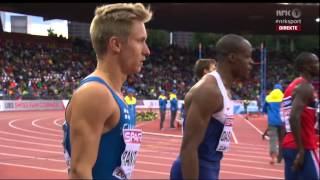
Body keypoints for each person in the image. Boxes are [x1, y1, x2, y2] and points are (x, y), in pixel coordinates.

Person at [62, 3, 152, 179]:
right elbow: (80, 172)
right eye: (141, 41)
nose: (147, 51)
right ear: (116, 44)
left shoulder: (113, 93)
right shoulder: (96, 94)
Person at [170, 34, 254, 180]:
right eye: (247, 57)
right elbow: (189, 148)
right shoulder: (209, 91)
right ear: (232, 58)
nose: (251, 62)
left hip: (210, 167)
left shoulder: (224, 89)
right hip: (195, 170)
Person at [281, 52, 319, 180]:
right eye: (316, 62)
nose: (318, 65)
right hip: (304, 146)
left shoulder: (290, 88)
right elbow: (293, 117)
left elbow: (284, 120)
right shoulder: (305, 87)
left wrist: (282, 147)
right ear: (306, 66)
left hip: (289, 146)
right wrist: (301, 150)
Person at [262, 83, 284, 164]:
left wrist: (267, 112)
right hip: (282, 122)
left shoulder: (268, 97)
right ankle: (280, 157)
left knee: (273, 140)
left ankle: (273, 158)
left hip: (272, 121)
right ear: (281, 89)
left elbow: (264, 109)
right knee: (282, 140)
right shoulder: (284, 97)